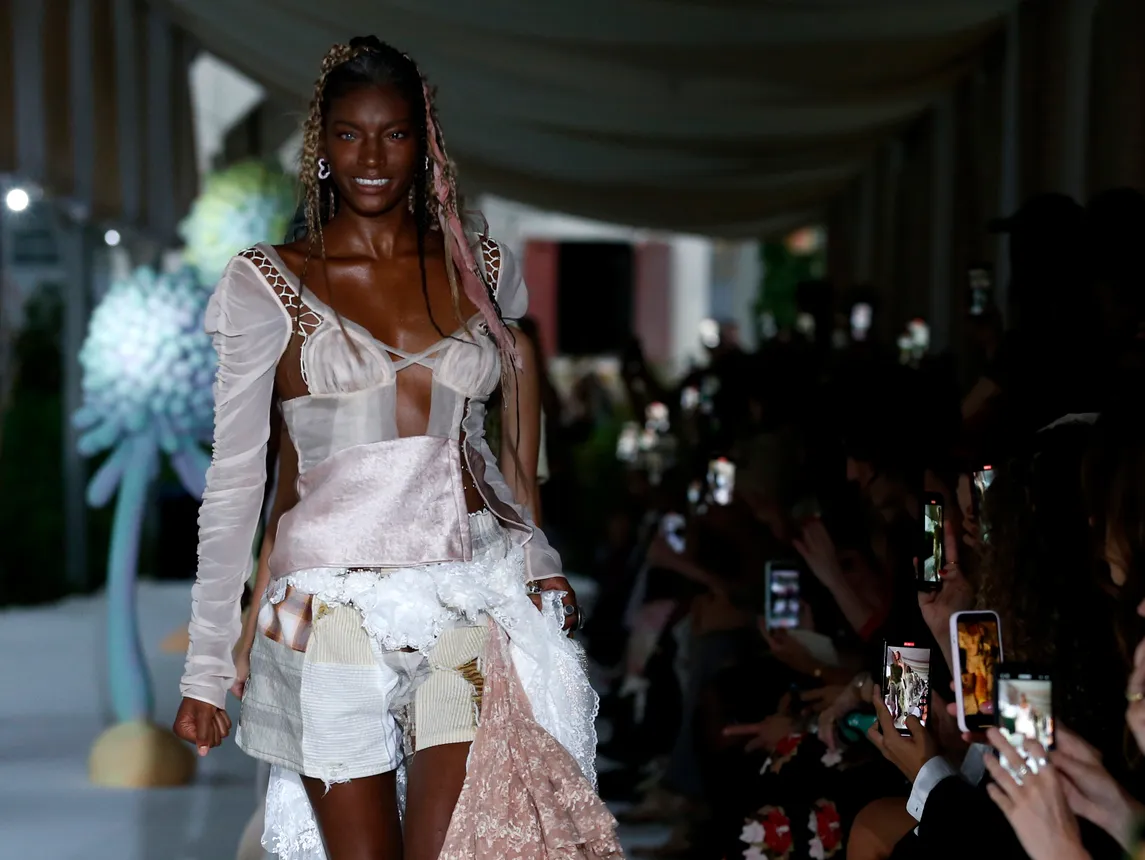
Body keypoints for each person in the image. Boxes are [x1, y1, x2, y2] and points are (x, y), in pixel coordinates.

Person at [172, 37, 622, 860]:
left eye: (394, 134)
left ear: (426, 143)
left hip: (468, 597)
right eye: (349, 135)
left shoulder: (481, 268)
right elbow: (238, 482)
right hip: (325, 614)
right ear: (321, 146)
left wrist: (536, 550)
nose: (371, 158)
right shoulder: (268, 282)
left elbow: (498, 442)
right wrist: (209, 664)